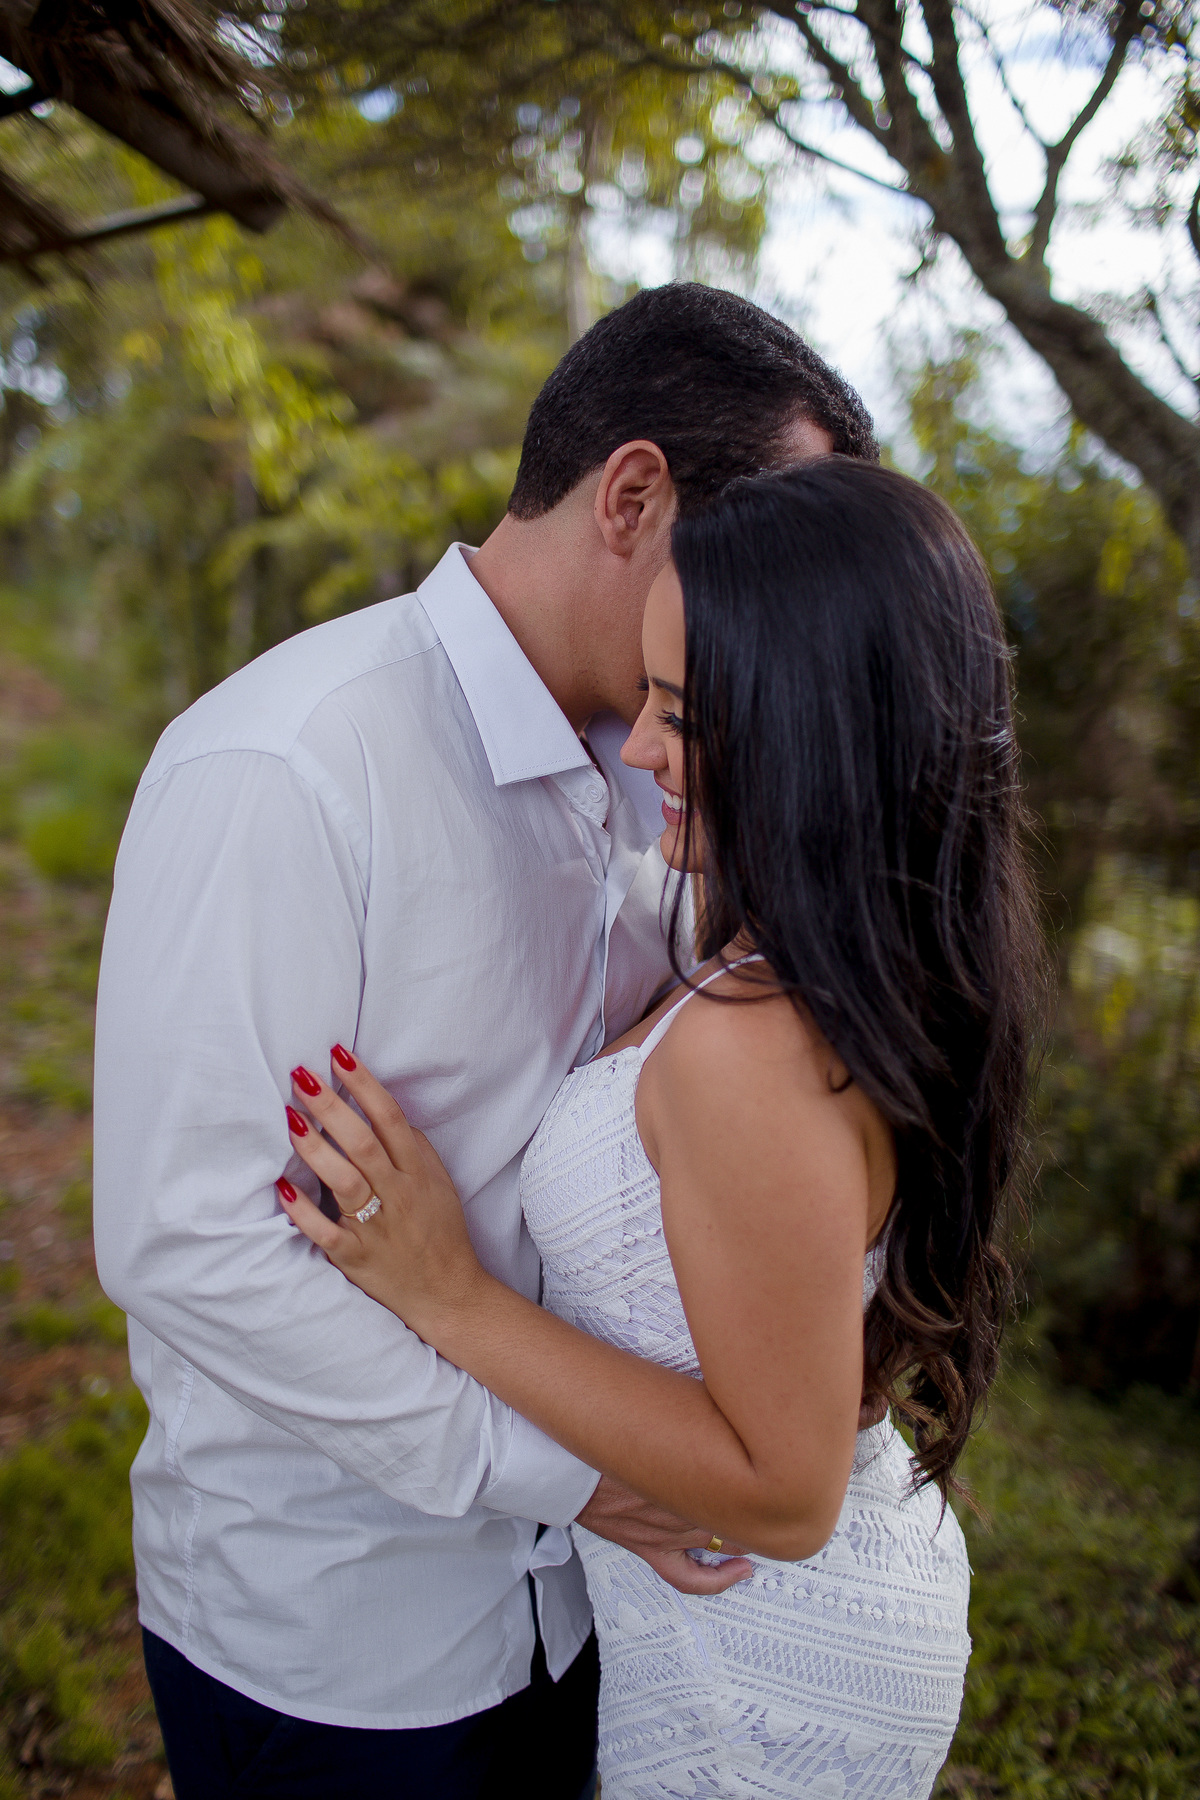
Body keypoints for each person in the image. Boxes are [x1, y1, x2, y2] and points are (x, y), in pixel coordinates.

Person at [93, 284, 877, 1800]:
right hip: (342, 1648)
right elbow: (192, 1243)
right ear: (634, 495)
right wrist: (579, 1481)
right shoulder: (292, 766)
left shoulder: (689, 782)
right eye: (750, 553)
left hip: (610, 1629)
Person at [270, 458, 1044, 1799]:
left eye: (682, 712)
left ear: (807, 732)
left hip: (762, 1665)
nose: (638, 747)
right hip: (748, 1628)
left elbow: (786, 1495)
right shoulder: (803, 968)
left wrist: (453, 1296)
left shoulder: (754, 1049)